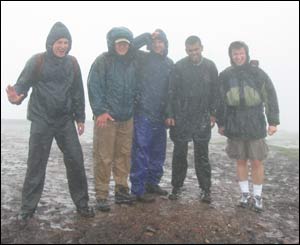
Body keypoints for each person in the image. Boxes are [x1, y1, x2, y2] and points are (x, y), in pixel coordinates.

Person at [6, 21, 94, 221]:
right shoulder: (37, 61)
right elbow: (22, 85)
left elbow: (78, 92)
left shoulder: (72, 63)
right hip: (41, 120)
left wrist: (80, 118)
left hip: (65, 121)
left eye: (66, 42)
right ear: (50, 43)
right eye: (59, 42)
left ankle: (82, 204)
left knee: (76, 161)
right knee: (36, 165)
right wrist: (16, 97)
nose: (63, 46)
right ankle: (27, 210)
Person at [216, 41, 280, 212]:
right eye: (235, 54)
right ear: (231, 55)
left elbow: (270, 97)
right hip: (234, 121)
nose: (238, 57)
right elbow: (220, 101)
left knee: (257, 161)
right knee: (240, 160)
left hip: (255, 121)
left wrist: (273, 121)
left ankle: (258, 196)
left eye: (241, 53)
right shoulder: (225, 75)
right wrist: (221, 123)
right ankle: (244, 194)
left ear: (246, 54)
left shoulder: (258, 74)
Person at [87, 27, 137, 212]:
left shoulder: (132, 63)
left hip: (127, 117)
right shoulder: (102, 61)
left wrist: (133, 108)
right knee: (103, 157)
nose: (122, 46)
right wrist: (100, 111)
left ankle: (122, 190)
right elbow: (94, 86)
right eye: (119, 43)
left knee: (123, 156)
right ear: (112, 44)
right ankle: (101, 195)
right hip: (106, 119)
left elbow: (136, 87)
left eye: (126, 43)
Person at [165, 36, 218, 203]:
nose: (193, 53)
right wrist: (170, 114)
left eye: (196, 49)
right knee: (179, 154)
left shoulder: (210, 66)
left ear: (201, 47)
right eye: (190, 50)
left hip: (202, 116)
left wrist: (213, 112)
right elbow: (171, 92)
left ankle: (206, 189)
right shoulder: (179, 66)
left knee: (202, 155)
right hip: (181, 116)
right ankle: (176, 187)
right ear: (186, 50)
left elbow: (215, 92)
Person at [130, 29, 174, 202]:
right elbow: (131, 47)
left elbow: (172, 91)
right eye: (154, 42)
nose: (158, 44)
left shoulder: (170, 63)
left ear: (166, 44)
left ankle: (152, 183)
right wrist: (147, 35)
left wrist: (169, 113)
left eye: (161, 41)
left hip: (160, 114)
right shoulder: (142, 58)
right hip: (143, 112)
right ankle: (138, 189)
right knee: (141, 151)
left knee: (158, 152)